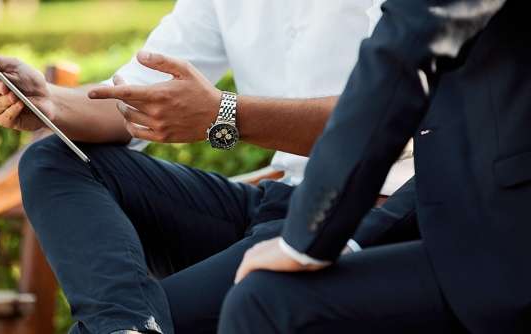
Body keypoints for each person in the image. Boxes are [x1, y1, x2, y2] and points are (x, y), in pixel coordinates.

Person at [0, 0, 413, 333]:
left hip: (366, 212)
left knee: (166, 318)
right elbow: (135, 95)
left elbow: (388, 118)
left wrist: (224, 114)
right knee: (51, 158)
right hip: (275, 201)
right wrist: (48, 100)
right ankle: (129, 327)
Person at [220, 0, 531, 332]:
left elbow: (401, 57)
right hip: (297, 200)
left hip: (501, 248)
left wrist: (306, 238)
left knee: (262, 302)